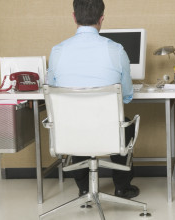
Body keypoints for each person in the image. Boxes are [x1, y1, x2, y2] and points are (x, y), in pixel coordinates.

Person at [47, 0, 139, 199]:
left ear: (74, 17)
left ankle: (83, 187)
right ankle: (122, 186)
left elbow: (51, 91)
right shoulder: (116, 50)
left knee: (74, 122)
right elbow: (127, 95)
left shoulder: (57, 51)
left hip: (70, 132)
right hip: (108, 131)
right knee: (125, 123)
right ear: (101, 19)